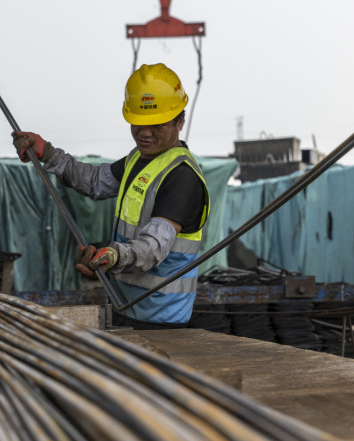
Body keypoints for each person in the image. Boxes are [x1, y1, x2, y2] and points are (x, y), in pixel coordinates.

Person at [12, 63, 210, 329]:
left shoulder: (182, 177)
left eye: (156, 125)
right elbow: (94, 181)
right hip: (126, 307)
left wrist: (114, 255)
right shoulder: (138, 159)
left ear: (180, 121)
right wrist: (48, 154)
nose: (144, 133)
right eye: (138, 123)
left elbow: (153, 248)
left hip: (159, 320)